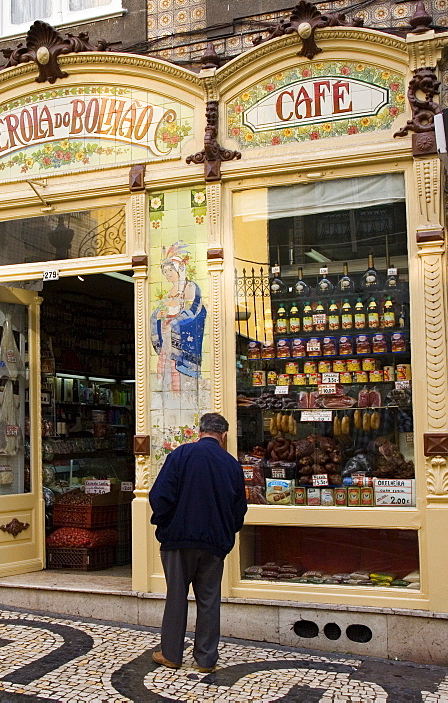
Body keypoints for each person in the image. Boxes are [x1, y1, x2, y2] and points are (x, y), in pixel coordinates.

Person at [148, 412, 247, 673]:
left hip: (178, 540)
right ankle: (205, 659)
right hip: (214, 543)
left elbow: (159, 496)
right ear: (223, 436)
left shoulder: (180, 455)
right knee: (209, 600)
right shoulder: (231, 464)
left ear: (199, 431)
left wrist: (164, 524)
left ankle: (171, 654)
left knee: (176, 597)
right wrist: (226, 533)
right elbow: (239, 510)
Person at [151, 242, 206, 394]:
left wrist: (175, 322)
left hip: (180, 336)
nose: (168, 273)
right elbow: (158, 312)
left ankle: (179, 396)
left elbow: (193, 310)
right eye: (165, 271)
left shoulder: (189, 287)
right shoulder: (169, 292)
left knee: (178, 370)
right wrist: (157, 315)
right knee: (166, 367)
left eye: (170, 270)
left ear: (179, 269)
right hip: (168, 336)